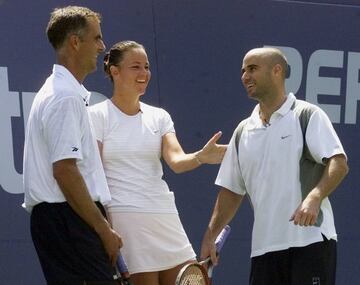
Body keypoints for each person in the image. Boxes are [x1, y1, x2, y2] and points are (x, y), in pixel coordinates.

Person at [200, 47, 349, 285]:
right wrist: (210, 235)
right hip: (264, 250)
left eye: (252, 68)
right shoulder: (242, 131)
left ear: (277, 70)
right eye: (242, 71)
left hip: (310, 242)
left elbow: (339, 163)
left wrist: (314, 197)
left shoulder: (307, 115)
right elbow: (231, 191)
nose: (245, 76)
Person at [89, 40, 227, 285]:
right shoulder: (96, 116)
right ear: (115, 71)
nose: (144, 74)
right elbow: (95, 176)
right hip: (126, 219)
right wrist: (106, 226)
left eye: (146, 66)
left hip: (165, 216)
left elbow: (176, 160)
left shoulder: (160, 116)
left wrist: (201, 157)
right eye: (135, 67)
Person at [22, 6, 123, 284]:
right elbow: (65, 171)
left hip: (68, 218)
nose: (102, 47)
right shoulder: (64, 97)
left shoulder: (60, 92)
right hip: (69, 219)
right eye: (97, 38)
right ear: (75, 42)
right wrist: (102, 229)